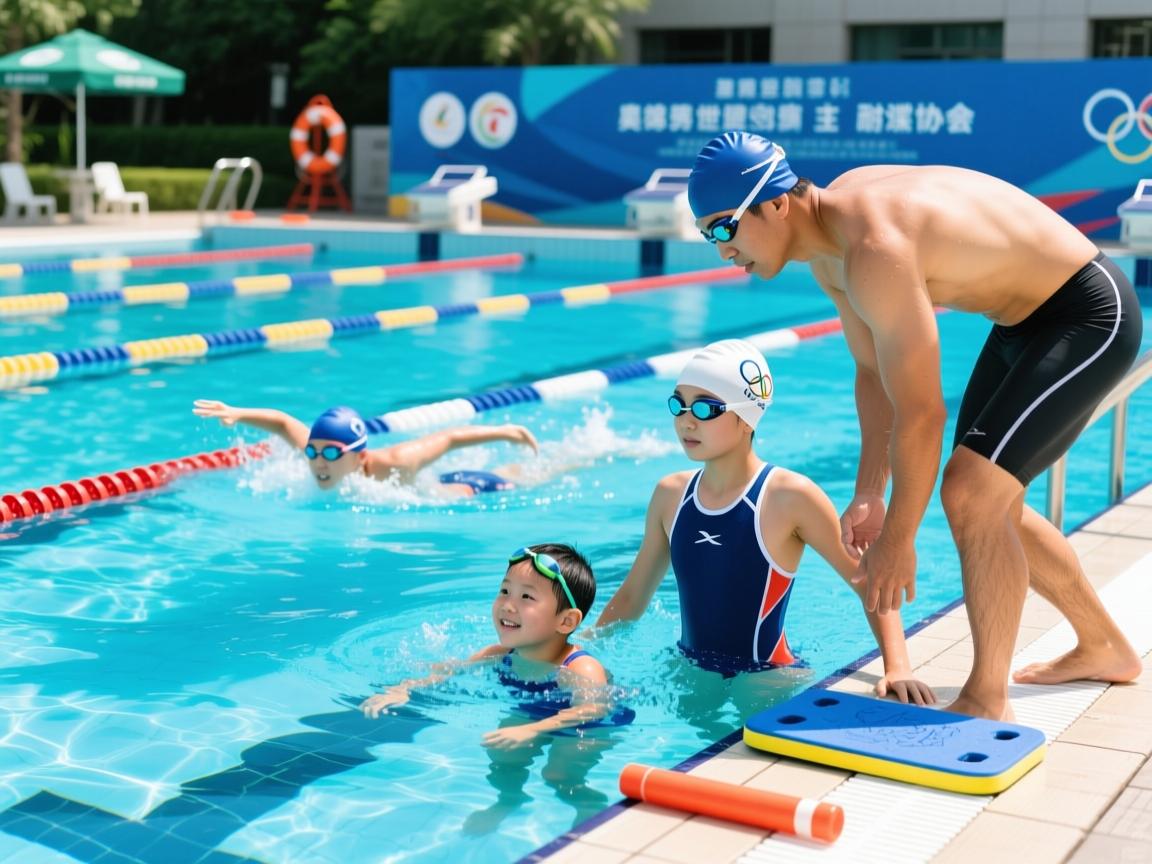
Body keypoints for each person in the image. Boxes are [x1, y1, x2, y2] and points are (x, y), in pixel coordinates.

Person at [687, 131, 1143, 720]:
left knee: (972, 493)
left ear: (775, 203)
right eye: (708, 235)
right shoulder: (830, 247)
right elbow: (874, 375)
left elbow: (923, 412)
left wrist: (900, 539)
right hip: (1022, 324)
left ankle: (986, 698)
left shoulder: (873, 247)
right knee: (992, 501)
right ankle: (1103, 645)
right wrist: (871, 492)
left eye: (725, 227)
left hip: (1086, 313)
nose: (722, 250)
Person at [596, 339, 934, 708]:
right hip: (691, 668)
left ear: (747, 418)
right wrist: (579, 650)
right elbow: (632, 596)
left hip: (767, 674)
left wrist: (897, 666)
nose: (687, 421)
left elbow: (868, 580)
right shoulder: (670, 495)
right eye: (679, 404)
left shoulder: (789, 497)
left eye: (706, 408)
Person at [360, 543, 629, 830]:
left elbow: (593, 709)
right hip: (534, 711)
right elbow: (448, 670)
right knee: (503, 754)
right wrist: (404, 688)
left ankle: (588, 807)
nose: (508, 605)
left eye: (526, 596)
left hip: (587, 725)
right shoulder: (499, 654)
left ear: (566, 621)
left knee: (558, 774)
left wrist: (532, 729)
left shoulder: (579, 668)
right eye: (504, 591)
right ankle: (508, 800)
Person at [192, 400, 537, 496]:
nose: (317, 462)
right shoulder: (319, 452)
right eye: (312, 452)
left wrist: (504, 432)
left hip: (469, 490)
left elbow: (449, 438)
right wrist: (237, 413)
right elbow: (283, 422)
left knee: (524, 478)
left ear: (359, 456)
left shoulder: (395, 461)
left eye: (330, 454)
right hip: (435, 480)